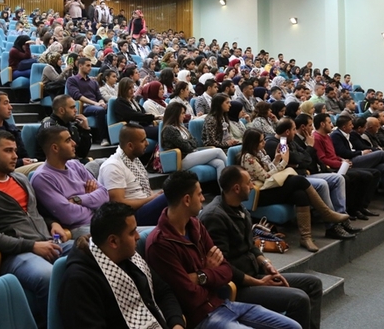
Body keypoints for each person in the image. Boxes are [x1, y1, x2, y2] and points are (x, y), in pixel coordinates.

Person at [145, 170, 301, 329]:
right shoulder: (160, 244)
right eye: (199, 194)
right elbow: (188, 295)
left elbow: (226, 270)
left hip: (224, 304)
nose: (203, 198)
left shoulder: (196, 226)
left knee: (293, 327)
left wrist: (201, 276)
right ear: (186, 200)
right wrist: (210, 272)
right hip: (201, 318)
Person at [0, 131, 72, 324]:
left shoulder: (21, 179)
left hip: (48, 242)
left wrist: (53, 223)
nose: (15, 156)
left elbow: (36, 213)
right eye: (8, 151)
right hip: (16, 254)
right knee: (48, 276)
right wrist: (31, 245)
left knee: (94, 253)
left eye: (15, 150)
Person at [201, 165, 323, 329]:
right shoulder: (215, 217)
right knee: (298, 299)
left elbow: (251, 245)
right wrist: (259, 283)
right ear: (236, 188)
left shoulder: (240, 208)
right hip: (239, 286)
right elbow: (223, 267)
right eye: (248, 183)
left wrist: (266, 264)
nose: (252, 186)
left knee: (313, 284)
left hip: (256, 274)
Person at [59, 203, 186, 329]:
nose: (137, 237)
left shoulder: (129, 257)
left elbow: (163, 292)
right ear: (113, 241)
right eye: (132, 233)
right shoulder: (79, 282)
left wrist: (176, 323)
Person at [239, 128, 348, 251]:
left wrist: (276, 159)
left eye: (263, 139)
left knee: (300, 194)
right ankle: (326, 213)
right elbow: (265, 177)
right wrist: (284, 162)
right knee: (299, 180)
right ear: (252, 143)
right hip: (259, 194)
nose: (264, 142)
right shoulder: (248, 158)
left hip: (269, 187)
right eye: (261, 141)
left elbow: (269, 168)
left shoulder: (260, 152)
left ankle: (306, 237)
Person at [31, 125, 109, 238]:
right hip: (81, 228)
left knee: (134, 231)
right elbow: (69, 215)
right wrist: (93, 202)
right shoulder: (42, 178)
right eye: (68, 140)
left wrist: (79, 199)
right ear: (55, 148)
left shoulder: (75, 165)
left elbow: (105, 195)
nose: (74, 143)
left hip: (101, 220)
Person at [98, 124, 168, 226]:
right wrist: (152, 199)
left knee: (175, 192)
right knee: (170, 197)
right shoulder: (113, 166)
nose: (147, 143)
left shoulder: (134, 159)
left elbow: (145, 189)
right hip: (129, 217)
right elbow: (117, 204)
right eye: (143, 141)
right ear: (130, 146)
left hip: (144, 207)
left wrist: (154, 197)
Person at [0, 91, 39, 174]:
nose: (10, 107)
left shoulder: (13, 129)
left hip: (17, 169)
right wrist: (20, 162)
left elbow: (24, 155)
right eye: (5, 103)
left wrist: (26, 161)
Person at [161, 102, 228, 175]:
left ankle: (224, 182)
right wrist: (189, 142)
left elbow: (195, 142)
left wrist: (188, 142)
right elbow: (186, 146)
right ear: (175, 114)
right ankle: (233, 171)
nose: (184, 116)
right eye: (182, 113)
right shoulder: (169, 129)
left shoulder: (181, 127)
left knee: (219, 163)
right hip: (181, 159)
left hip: (192, 153)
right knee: (218, 151)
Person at [66, 56, 110, 146]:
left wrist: (101, 102)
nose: (90, 68)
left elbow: (99, 96)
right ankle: (103, 138)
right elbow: (77, 96)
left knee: (114, 106)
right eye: (88, 65)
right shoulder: (72, 80)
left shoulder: (93, 82)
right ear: (80, 66)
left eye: (91, 65)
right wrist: (95, 103)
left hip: (95, 105)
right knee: (100, 110)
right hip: (84, 106)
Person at [37, 94, 93, 161]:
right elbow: (54, 157)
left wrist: (85, 130)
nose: (76, 110)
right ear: (61, 110)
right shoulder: (50, 128)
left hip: (71, 162)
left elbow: (81, 154)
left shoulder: (72, 127)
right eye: (72, 107)